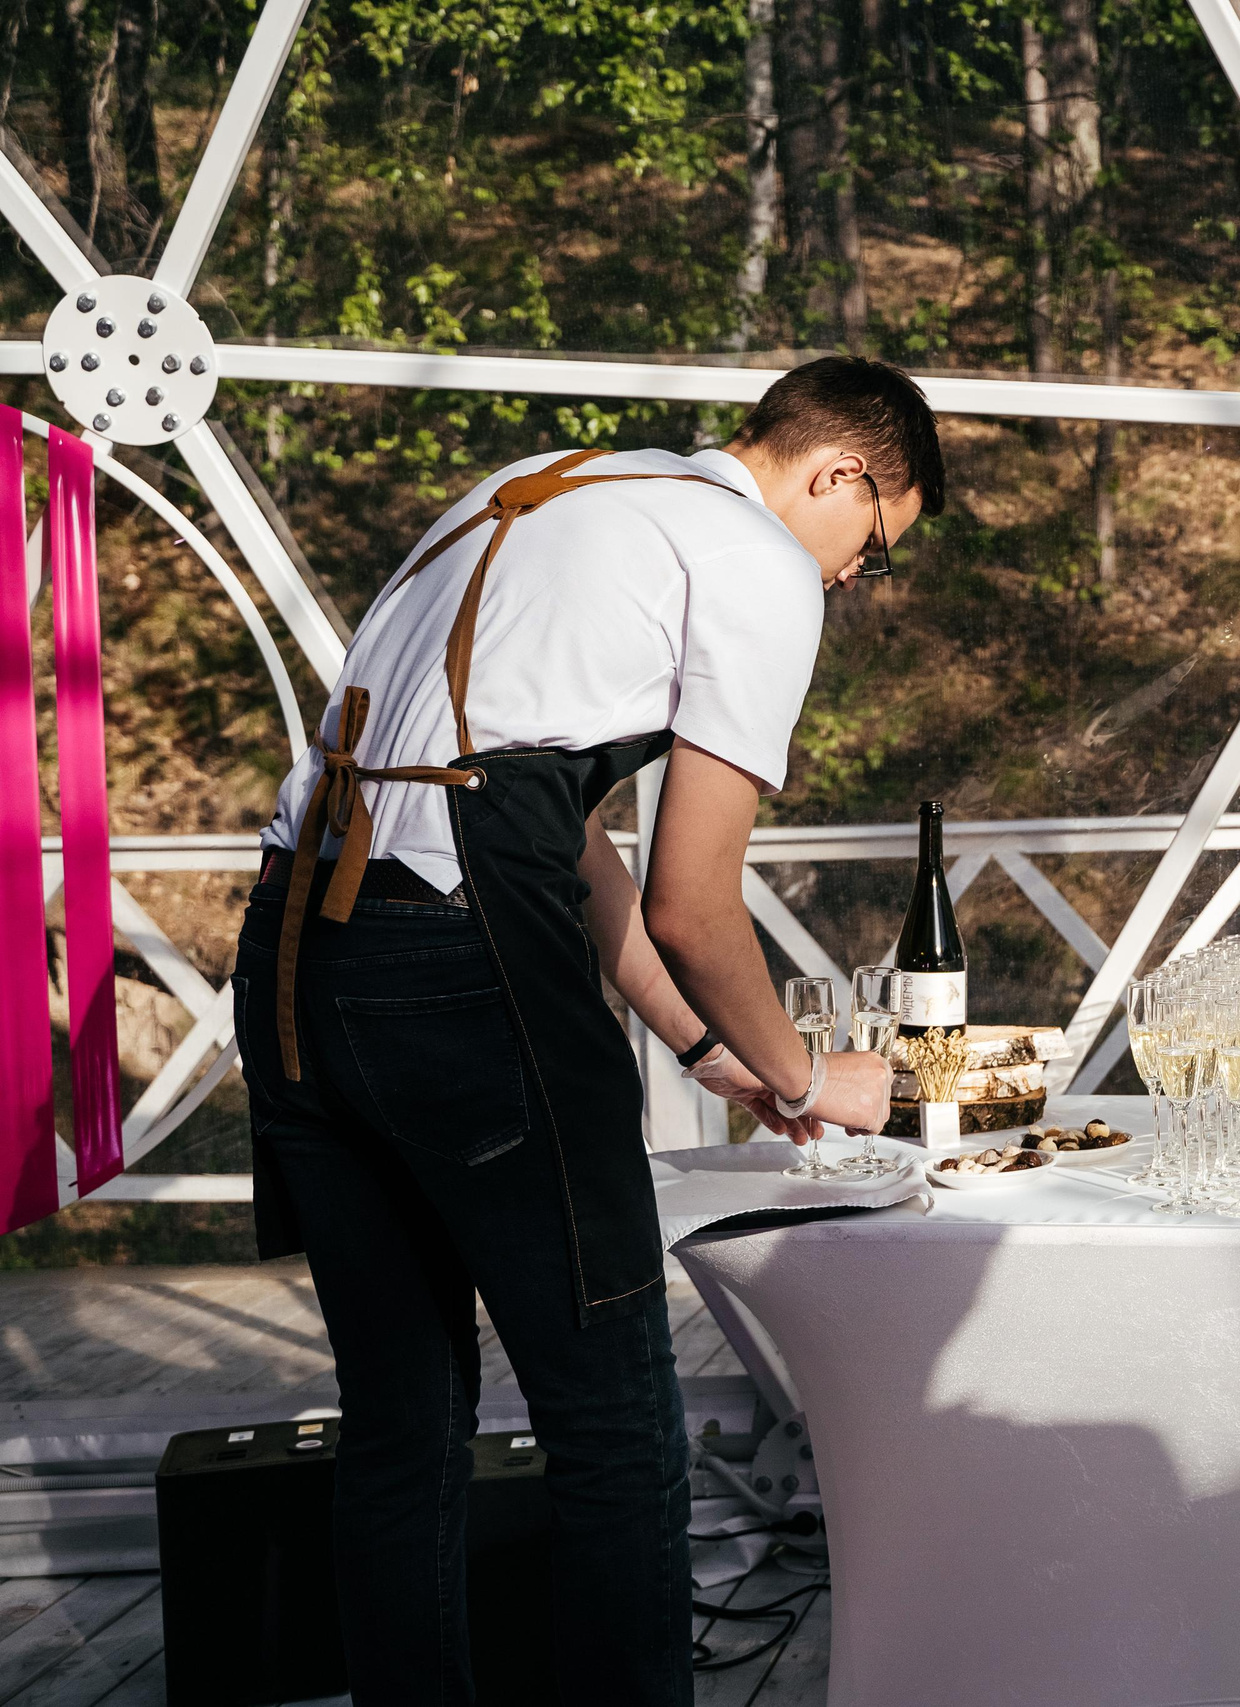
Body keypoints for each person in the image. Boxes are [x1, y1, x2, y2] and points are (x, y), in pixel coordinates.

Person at [232, 356, 942, 1705]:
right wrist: (807, 1077)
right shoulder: (758, 562)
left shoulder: (541, 491)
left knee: (402, 1430)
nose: (857, 578)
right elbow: (690, 900)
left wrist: (702, 1049)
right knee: (618, 1434)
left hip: (293, 960)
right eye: (880, 546)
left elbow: (552, 826)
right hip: (458, 972)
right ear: (839, 471)